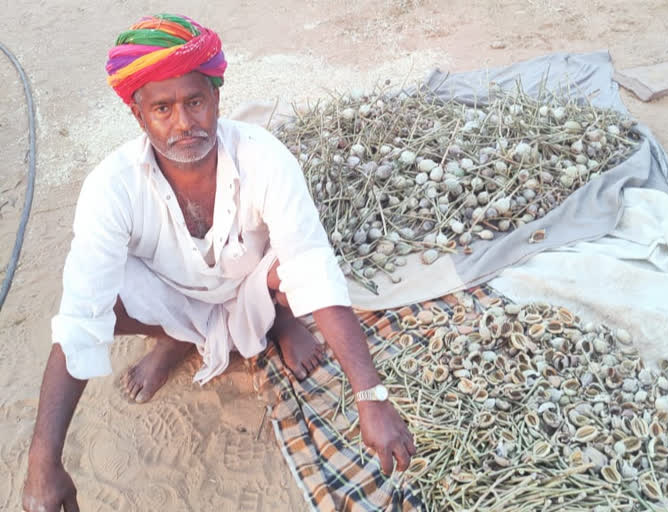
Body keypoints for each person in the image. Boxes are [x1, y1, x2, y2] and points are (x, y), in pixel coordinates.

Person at [22, 14, 415, 512]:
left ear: (217, 100)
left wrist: (371, 397)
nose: (184, 124)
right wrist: (43, 459)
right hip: (174, 292)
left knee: (301, 265)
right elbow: (79, 320)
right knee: (100, 289)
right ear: (138, 116)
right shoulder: (111, 186)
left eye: (195, 102)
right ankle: (176, 338)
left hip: (253, 278)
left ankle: (283, 320)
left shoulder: (264, 158)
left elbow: (312, 265)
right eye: (162, 109)